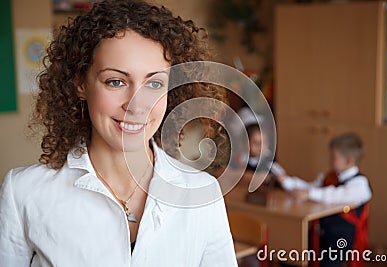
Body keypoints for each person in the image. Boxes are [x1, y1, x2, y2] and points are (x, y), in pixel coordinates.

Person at [0, 1, 237, 266]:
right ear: (80, 84)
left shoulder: (203, 193)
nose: (136, 104)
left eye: (154, 83)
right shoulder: (24, 192)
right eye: (116, 81)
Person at [275, 133, 372, 267]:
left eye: (334, 158)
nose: (329, 161)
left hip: (341, 237)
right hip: (320, 232)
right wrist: (287, 180)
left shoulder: (360, 184)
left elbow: (335, 195)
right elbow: (310, 187)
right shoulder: (329, 177)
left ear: (349, 160)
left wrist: (309, 193)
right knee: (291, 255)